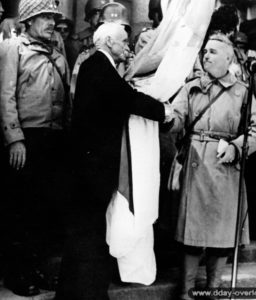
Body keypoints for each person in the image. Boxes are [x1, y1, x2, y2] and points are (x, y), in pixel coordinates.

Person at [55, 22, 171, 300]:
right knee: (89, 232)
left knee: (90, 231)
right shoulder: (99, 65)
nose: (127, 46)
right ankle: (85, 293)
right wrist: (163, 111)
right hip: (92, 167)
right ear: (108, 41)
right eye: (122, 41)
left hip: (90, 165)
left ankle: (85, 291)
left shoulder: (98, 65)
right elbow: (127, 98)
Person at [168, 33, 256, 299]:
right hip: (196, 162)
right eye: (205, 51)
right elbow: (177, 119)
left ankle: (214, 288)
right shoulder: (191, 87)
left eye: (213, 52)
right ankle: (187, 292)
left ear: (228, 58)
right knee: (192, 231)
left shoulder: (241, 92)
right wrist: (168, 119)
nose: (206, 55)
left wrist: (236, 147)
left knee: (221, 233)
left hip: (226, 168)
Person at [0, 0, 71, 296]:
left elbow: (68, 102)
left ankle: (37, 269)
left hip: (54, 140)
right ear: (28, 20)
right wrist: (14, 139)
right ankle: (18, 274)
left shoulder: (58, 54)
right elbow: (5, 96)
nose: (51, 22)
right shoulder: (13, 49)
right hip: (27, 140)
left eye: (53, 17)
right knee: (22, 209)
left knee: (45, 210)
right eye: (44, 17)